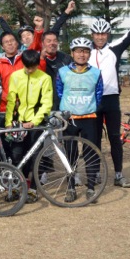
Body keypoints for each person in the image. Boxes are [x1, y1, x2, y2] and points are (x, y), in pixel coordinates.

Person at [89, 0, 130, 188]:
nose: (100, 37)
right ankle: (94, 173)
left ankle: (119, 174)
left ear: (108, 34)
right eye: (97, 34)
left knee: (114, 137)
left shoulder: (115, 48)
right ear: (92, 35)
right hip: (91, 101)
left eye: (103, 34)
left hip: (111, 99)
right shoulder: (84, 51)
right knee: (93, 139)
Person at [56, 38, 103, 202]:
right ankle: (70, 188)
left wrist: (87, 108)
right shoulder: (62, 72)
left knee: (90, 153)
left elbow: (98, 95)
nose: (81, 54)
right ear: (72, 53)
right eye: (78, 51)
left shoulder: (96, 72)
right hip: (70, 119)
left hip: (89, 118)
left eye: (85, 51)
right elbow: (60, 92)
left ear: (89, 53)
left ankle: (90, 188)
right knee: (70, 154)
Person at [4, 49, 54, 203]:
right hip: (19, 122)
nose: (29, 70)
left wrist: (35, 121)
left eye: (32, 67)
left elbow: (47, 103)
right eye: (26, 66)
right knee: (18, 156)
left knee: (35, 157)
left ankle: (33, 189)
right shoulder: (16, 76)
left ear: (38, 64)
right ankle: (20, 186)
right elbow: (11, 100)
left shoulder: (45, 78)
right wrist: (8, 122)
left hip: (36, 123)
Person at [41, 31, 73, 111]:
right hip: (43, 103)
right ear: (42, 44)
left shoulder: (66, 58)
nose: (52, 43)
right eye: (49, 41)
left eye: (55, 41)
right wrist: (41, 59)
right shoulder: (36, 59)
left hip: (63, 103)